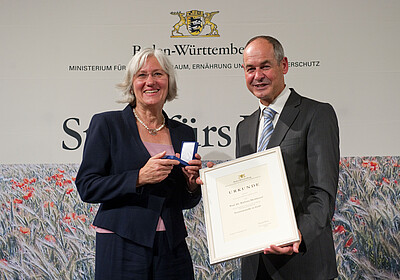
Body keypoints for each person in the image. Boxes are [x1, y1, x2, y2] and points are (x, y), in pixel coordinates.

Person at [75, 48, 202, 280]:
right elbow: (87, 186)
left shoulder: (183, 132)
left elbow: (185, 201)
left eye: (158, 74)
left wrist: (192, 185)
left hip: (172, 247)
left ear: (168, 81)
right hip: (122, 242)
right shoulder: (107, 124)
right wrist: (139, 177)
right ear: (131, 83)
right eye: (141, 75)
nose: (150, 82)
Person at [237, 35, 340, 279]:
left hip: (304, 263)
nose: (257, 76)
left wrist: (297, 234)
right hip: (256, 268)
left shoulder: (316, 114)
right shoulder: (245, 127)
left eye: (265, 66)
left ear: (283, 66)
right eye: (250, 69)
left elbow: (323, 192)